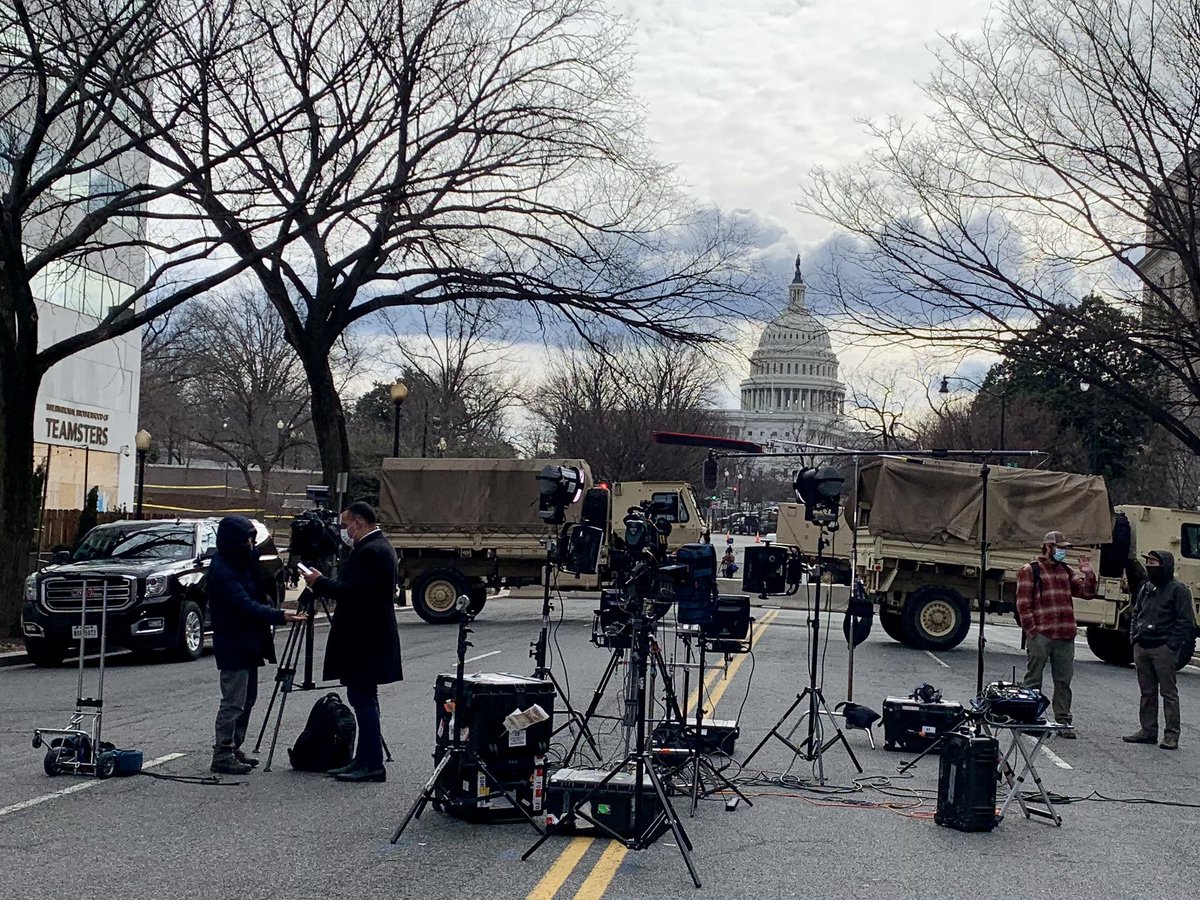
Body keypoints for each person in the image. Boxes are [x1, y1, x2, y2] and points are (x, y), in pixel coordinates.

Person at [302, 501, 402, 783]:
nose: (344, 531)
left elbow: (353, 593)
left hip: (365, 639)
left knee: (362, 699)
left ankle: (371, 763)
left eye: (346, 525)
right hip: (369, 637)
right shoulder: (377, 548)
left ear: (358, 522)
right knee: (363, 698)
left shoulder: (372, 551)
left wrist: (318, 582)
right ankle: (364, 757)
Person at [209, 515, 306, 775]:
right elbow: (244, 605)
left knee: (248, 698)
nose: (251, 545)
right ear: (233, 542)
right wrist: (280, 615)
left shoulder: (242, 563)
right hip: (233, 641)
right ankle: (222, 752)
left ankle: (234, 746)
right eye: (247, 541)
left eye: (252, 540)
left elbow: (263, 584)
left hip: (249, 641)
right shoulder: (222, 570)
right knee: (234, 700)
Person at [1015, 530, 1096, 738]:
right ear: (1048, 547)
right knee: (1033, 680)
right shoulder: (1030, 570)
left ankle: (1063, 721)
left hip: (1065, 635)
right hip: (1042, 634)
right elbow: (1023, 605)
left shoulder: (1065, 571)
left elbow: (1086, 593)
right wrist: (1033, 632)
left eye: (1064, 548)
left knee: (1063, 681)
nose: (1063, 552)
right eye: (1060, 548)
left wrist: (1088, 574)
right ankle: (1029, 718)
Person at [1123, 550, 1196, 750]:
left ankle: (1171, 735)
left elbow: (1186, 621)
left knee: (1168, 693)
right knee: (1147, 692)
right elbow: (1137, 612)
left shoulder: (1178, 590)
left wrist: (1171, 645)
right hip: (1143, 645)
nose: (1150, 566)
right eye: (1148, 562)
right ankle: (1148, 730)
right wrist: (1134, 637)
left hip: (1163, 648)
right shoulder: (1146, 588)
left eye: (1154, 563)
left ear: (1165, 566)